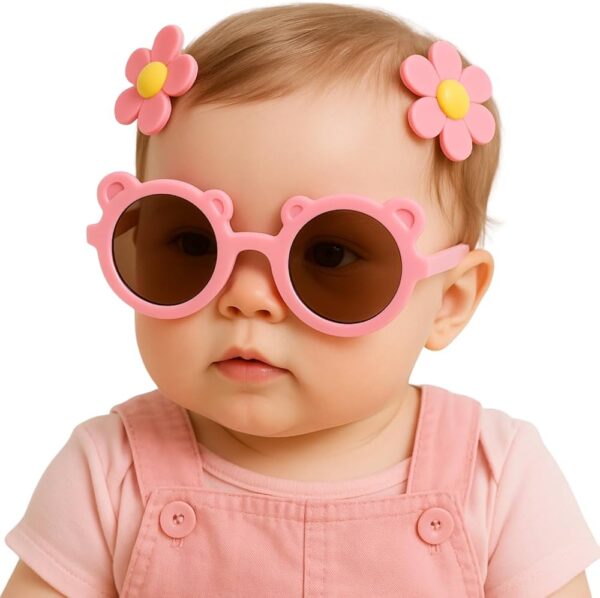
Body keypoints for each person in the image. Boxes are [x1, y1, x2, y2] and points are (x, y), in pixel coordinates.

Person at [3, 4, 599, 597]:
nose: (247, 297)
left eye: (328, 254)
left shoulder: (496, 477)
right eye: (193, 242)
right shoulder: (109, 473)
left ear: (449, 301)